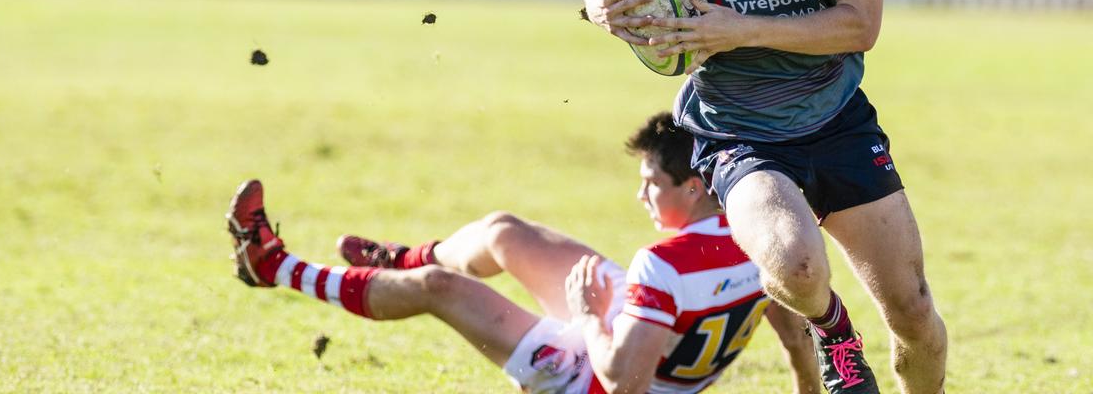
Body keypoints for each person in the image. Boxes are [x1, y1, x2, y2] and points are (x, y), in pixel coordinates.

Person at [581, 0, 947, 394]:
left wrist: (738, 29)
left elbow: (861, 25)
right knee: (797, 267)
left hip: (835, 120)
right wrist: (600, 5)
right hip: (735, 134)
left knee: (916, 316)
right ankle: (834, 333)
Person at [227, 112, 820, 393]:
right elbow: (794, 335)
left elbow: (622, 383)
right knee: (504, 231)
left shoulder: (661, 265)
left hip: (596, 378)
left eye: (651, 183)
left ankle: (273, 265)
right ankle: (402, 261)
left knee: (441, 288)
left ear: (693, 189)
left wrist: (588, 315)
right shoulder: (758, 238)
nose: (640, 192)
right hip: (644, 328)